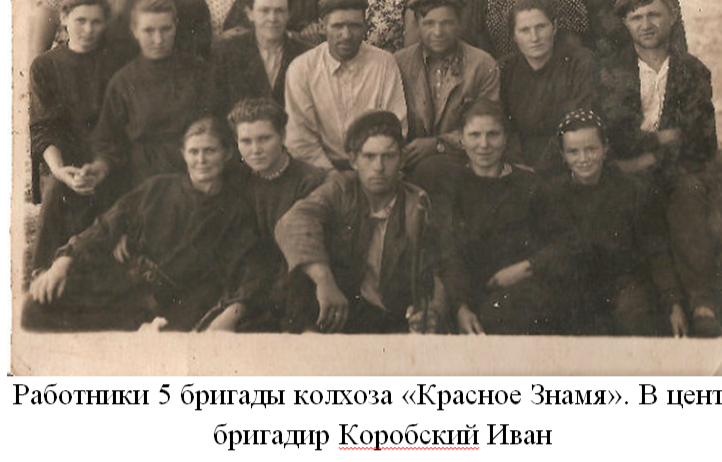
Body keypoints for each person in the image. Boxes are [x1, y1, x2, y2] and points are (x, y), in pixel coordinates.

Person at [23, 117, 271, 332]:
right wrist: (63, 262)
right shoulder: (159, 188)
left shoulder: (234, 210)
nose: (201, 160)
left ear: (227, 154)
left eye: (210, 151)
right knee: (35, 309)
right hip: (122, 286)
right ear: (183, 154)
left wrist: (231, 314)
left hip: (177, 306)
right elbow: (106, 226)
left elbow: (250, 271)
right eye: (194, 152)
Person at [599, 0, 721, 337]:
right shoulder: (612, 70)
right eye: (636, 18)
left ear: (672, 17)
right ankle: (645, 299)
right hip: (629, 170)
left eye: (654, 15)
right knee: (631, 203)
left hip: (676, 169)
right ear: (626, 24)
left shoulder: (693, 71)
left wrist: (650, 156)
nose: (646, 24)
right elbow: (615, 133)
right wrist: (661, 138)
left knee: (690, 193)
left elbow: (702, 139)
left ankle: (700, 301)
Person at [275, 111, 441, 334]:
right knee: (298, 266)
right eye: (369, 157)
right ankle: (308, 336)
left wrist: (433, 310)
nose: (379, 167)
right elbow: (293, 222)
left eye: (388, 156)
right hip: (341, 304)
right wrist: (324, 281)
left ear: (402, 160)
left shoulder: (416, 203)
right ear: (354, 161)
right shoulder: (341, 188)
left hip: (389, 314)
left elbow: (435, 268)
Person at [527, 109, 687, 336]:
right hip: (576, 283)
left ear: (605, 149)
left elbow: (656, 250)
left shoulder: (633, 191)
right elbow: (547, 251)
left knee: (633, 317)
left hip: (625, 284)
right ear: (562, 155)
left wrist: (673, 303)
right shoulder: (553, 196)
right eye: (573, 152)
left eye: (591, 149)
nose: (583, 159)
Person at [28, 0, 133, 271]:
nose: (88, 29)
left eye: (96, 22)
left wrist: (102, 165)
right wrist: (59, 170)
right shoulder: (45, 65)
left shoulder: (117, 63)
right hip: (66, 158)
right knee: (57, 195)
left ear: (105, 23)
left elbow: (123, 123)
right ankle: (47, 276)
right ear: (64, 19)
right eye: (80, 20)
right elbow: (43, 127)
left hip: (110, 157)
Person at [431, 99, 540, 335]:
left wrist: (525, 269)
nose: (484, 144)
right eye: (474, 135)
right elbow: (450, 253)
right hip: (468, 292)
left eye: (493, 134)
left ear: (505, 138)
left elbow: (550, 244)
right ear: (461, 139)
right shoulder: (452, 186)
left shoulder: (528, 184)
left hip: (520, 290)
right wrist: (460, 308)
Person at [85, 0, 215, 191]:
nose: (158, 39)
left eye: (165, 29)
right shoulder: (124, 81)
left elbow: (217, 125)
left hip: (196, 173)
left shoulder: (199, 72)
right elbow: (107, 139)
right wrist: (99, 167)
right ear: (134, 31)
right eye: (149, 30)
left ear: (175, 27)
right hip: (145, 179)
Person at [228, 98, 327, 328]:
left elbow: (306, 253)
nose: (255, 150)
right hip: (251, 285)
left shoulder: (310, 181)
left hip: (298, 287)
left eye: (264, 139)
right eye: (246, 141)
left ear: (282, 136)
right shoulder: (238, 183)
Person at [284, 0, 408, 171]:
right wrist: (332, 176)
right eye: (337, 26)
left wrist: (369, 170)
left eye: (354, 26)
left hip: (375, 166)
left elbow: (396, 126)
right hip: (320, 169)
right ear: (322, 27)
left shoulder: (384, 63)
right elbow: (299, 139)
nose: (346, 35)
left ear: (365, 27)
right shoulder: (302, 68)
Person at [395, 0, 499, 170]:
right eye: (429, 23)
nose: (438, 32)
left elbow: (489, 124)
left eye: (447, 23)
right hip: (408, 164)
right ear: (417, 25)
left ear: (459, 24)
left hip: (465, 164)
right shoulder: (399, 63)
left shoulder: (482, 65)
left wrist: (439, 144)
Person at [499, 0, 599, 170]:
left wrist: (541, 169)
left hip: (569, 162)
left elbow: (580, 120)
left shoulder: (580, 62)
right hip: (519, 166)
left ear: (554, 27)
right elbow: (502, 124)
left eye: (541, 27)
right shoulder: (506, 69)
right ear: (514, 36)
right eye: (524, 30)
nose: (534, 37)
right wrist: (517, 166)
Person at [213, 0, 310, 112]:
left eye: (279, 11)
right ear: (250, 14)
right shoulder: (226, 52)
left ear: (289, 14)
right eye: (264, 10)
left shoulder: (306, 55)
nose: (272, 18)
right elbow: (215, 108)